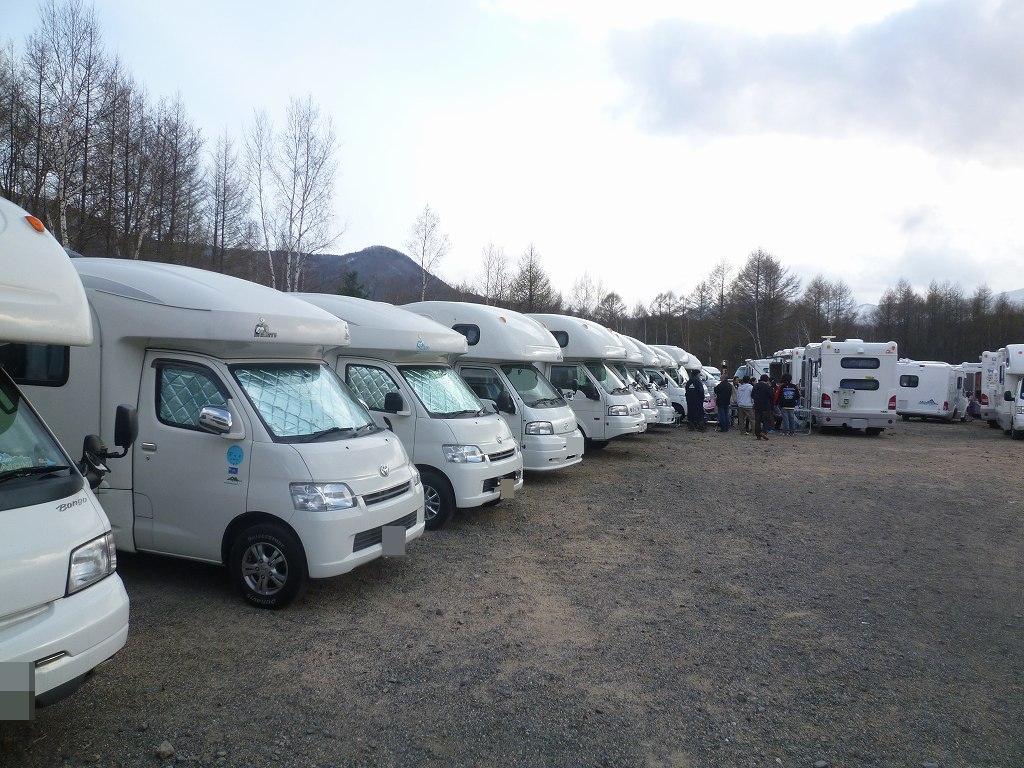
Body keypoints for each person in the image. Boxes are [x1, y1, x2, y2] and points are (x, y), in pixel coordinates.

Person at [751, 374, 775, 440]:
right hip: (765, 405)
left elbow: (752, 395)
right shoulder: (767, 386)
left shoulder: (755, 386)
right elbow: (772, 395)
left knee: (757, 421)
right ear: (767, 379)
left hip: (757, 405)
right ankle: (764, 432)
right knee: (766, 420)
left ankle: (758, 434)